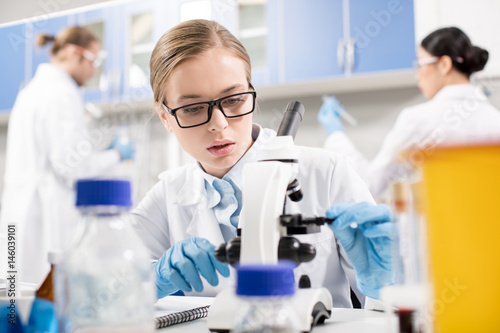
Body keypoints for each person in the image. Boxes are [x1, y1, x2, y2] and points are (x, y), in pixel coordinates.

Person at [131, 19, 393, 308]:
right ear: (165, 116)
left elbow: (394, 312)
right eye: (193, 108)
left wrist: (385, 286)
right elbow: (100, 297)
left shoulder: (326, 173)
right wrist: (151, 281)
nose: (219, 124)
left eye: (233, 100)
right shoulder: (166, 198)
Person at [0, 26, 134, 284]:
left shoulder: (31, 91)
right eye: (94, 60)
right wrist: (116, 154)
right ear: (74, 53)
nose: (95, 70)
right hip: (45, 217)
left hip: (19, 214)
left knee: (16, 300)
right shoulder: (62, 93)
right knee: (45, 305)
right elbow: (73, 167)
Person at [318, 27, 500, 200]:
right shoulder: (495, 119)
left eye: (420, 64)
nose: (417, 75)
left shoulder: (417, 119)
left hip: (437, 232)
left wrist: (335, 133)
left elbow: (369, 184)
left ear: (444, 64)